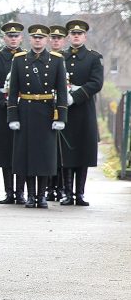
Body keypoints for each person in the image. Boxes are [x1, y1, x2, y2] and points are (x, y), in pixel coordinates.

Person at [7, 25, 69, 208]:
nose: (38, 40)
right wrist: (13, 116)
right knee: (26, 156)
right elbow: (13, 92)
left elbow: (62, 92)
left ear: (47, 40)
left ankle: (42, 196)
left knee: (44, 157)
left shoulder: (57, 60)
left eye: (41, 37)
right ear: (30, 39)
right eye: (35, 37)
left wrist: (61, 117)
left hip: (47, 112)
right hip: (25, 111)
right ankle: (31, 196)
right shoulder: (19, 60)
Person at [59, 19, 103, 206]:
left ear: (84, 36)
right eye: (73, 33)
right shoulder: (60, 57)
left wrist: (75, 96)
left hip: (84, 110)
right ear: (69, 36)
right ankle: (67, 193)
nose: (76, 36)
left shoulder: (93, 58)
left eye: (80, 34)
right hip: (66, 111)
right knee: (67, 153)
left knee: (83, 152)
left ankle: (80, 193)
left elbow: (96, 83)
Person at [0, 22, 27, 204]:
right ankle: (9, 192)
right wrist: (3, 101)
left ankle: (21, 192)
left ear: (21, 38)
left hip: (24, 110)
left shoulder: (27, 57)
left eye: (16, 36)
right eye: (10, 36)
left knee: (22, 150)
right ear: (4, 38)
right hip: (3, 110)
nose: (13, 39)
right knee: (6, 151)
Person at [45, 24, 68, 201]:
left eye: (59, 38)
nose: (55, 41)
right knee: (50, 150)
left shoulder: (64, 58)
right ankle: (49, 187)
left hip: (65, 109)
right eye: (53, 38)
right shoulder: (47, 59)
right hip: (47, 108)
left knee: (63, 153)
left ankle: (61, 187)